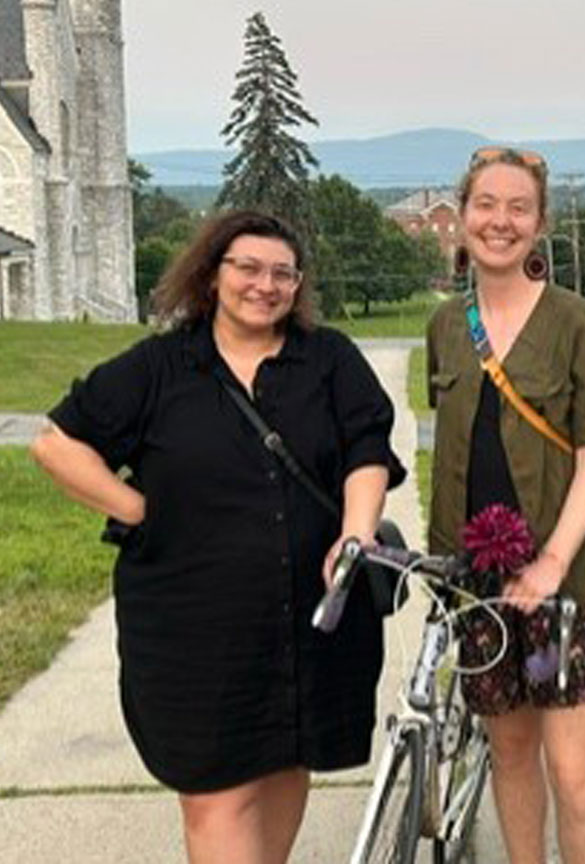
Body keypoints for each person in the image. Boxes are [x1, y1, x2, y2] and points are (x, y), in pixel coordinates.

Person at [29, 210, 405, 864]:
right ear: (212, 274)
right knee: (215, 794)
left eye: (282, 273)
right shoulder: (159, 368)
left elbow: (367, 449)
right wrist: (141, 509)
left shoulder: (329, 359)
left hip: (310, 617)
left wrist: (354, 532)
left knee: (291, 760)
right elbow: (57, 444)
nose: (266, 285)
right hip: (192, 629)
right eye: (249, 268)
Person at [424, 146, 585, 864]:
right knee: (509, 758)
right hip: (482, 586)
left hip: (570, 580)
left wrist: (552, 561)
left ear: (541, 223)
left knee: (574, 774)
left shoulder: (578, 324)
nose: (500, 221)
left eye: (519, 208)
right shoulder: (446, 328)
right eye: (487, 204)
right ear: (462, 215)